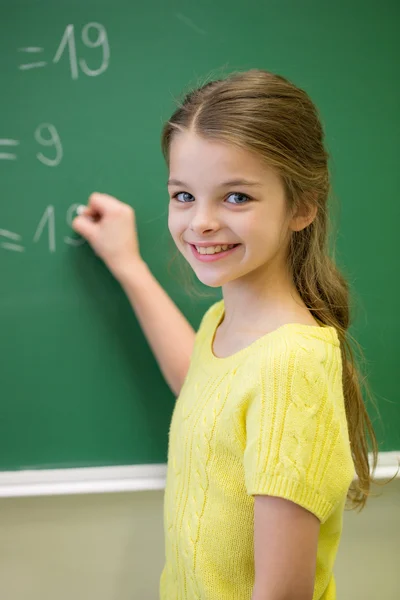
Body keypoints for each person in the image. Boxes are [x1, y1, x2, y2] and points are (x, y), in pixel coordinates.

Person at [72, 69, 380, 600]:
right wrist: (128, 264)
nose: (201, 222)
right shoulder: (226, 323)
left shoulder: (290, 365)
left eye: (236, 197)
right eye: (184, 195)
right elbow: (198, 381)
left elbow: (282, 593)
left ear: (302, 206)